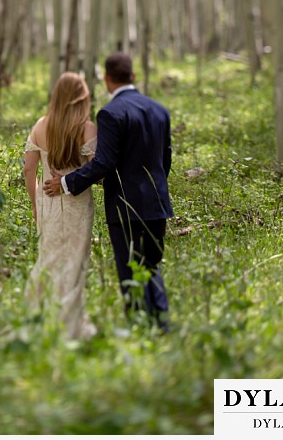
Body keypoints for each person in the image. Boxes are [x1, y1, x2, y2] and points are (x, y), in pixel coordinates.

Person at [43, 53, 173, 331]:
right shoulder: (160, 110)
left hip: (126, 204)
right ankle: (161, 325)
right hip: (157, 202)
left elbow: (103, 162)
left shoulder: (111, 113)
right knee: (151, 266)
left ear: (107, 78)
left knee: (129, 268)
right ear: (133, 76)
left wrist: (65, 183)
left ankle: (140, 327)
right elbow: (166, 160)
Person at [23, 72, 98, 340]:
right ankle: (68, 325)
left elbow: (29, 170)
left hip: (48, 203)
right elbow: (92, 173)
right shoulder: (87, 129)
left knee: (48, 259)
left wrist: (35, 205)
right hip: (77, 204)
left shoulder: (41, 125)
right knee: (75, 262)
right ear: (81, 98)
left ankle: (38, 317)